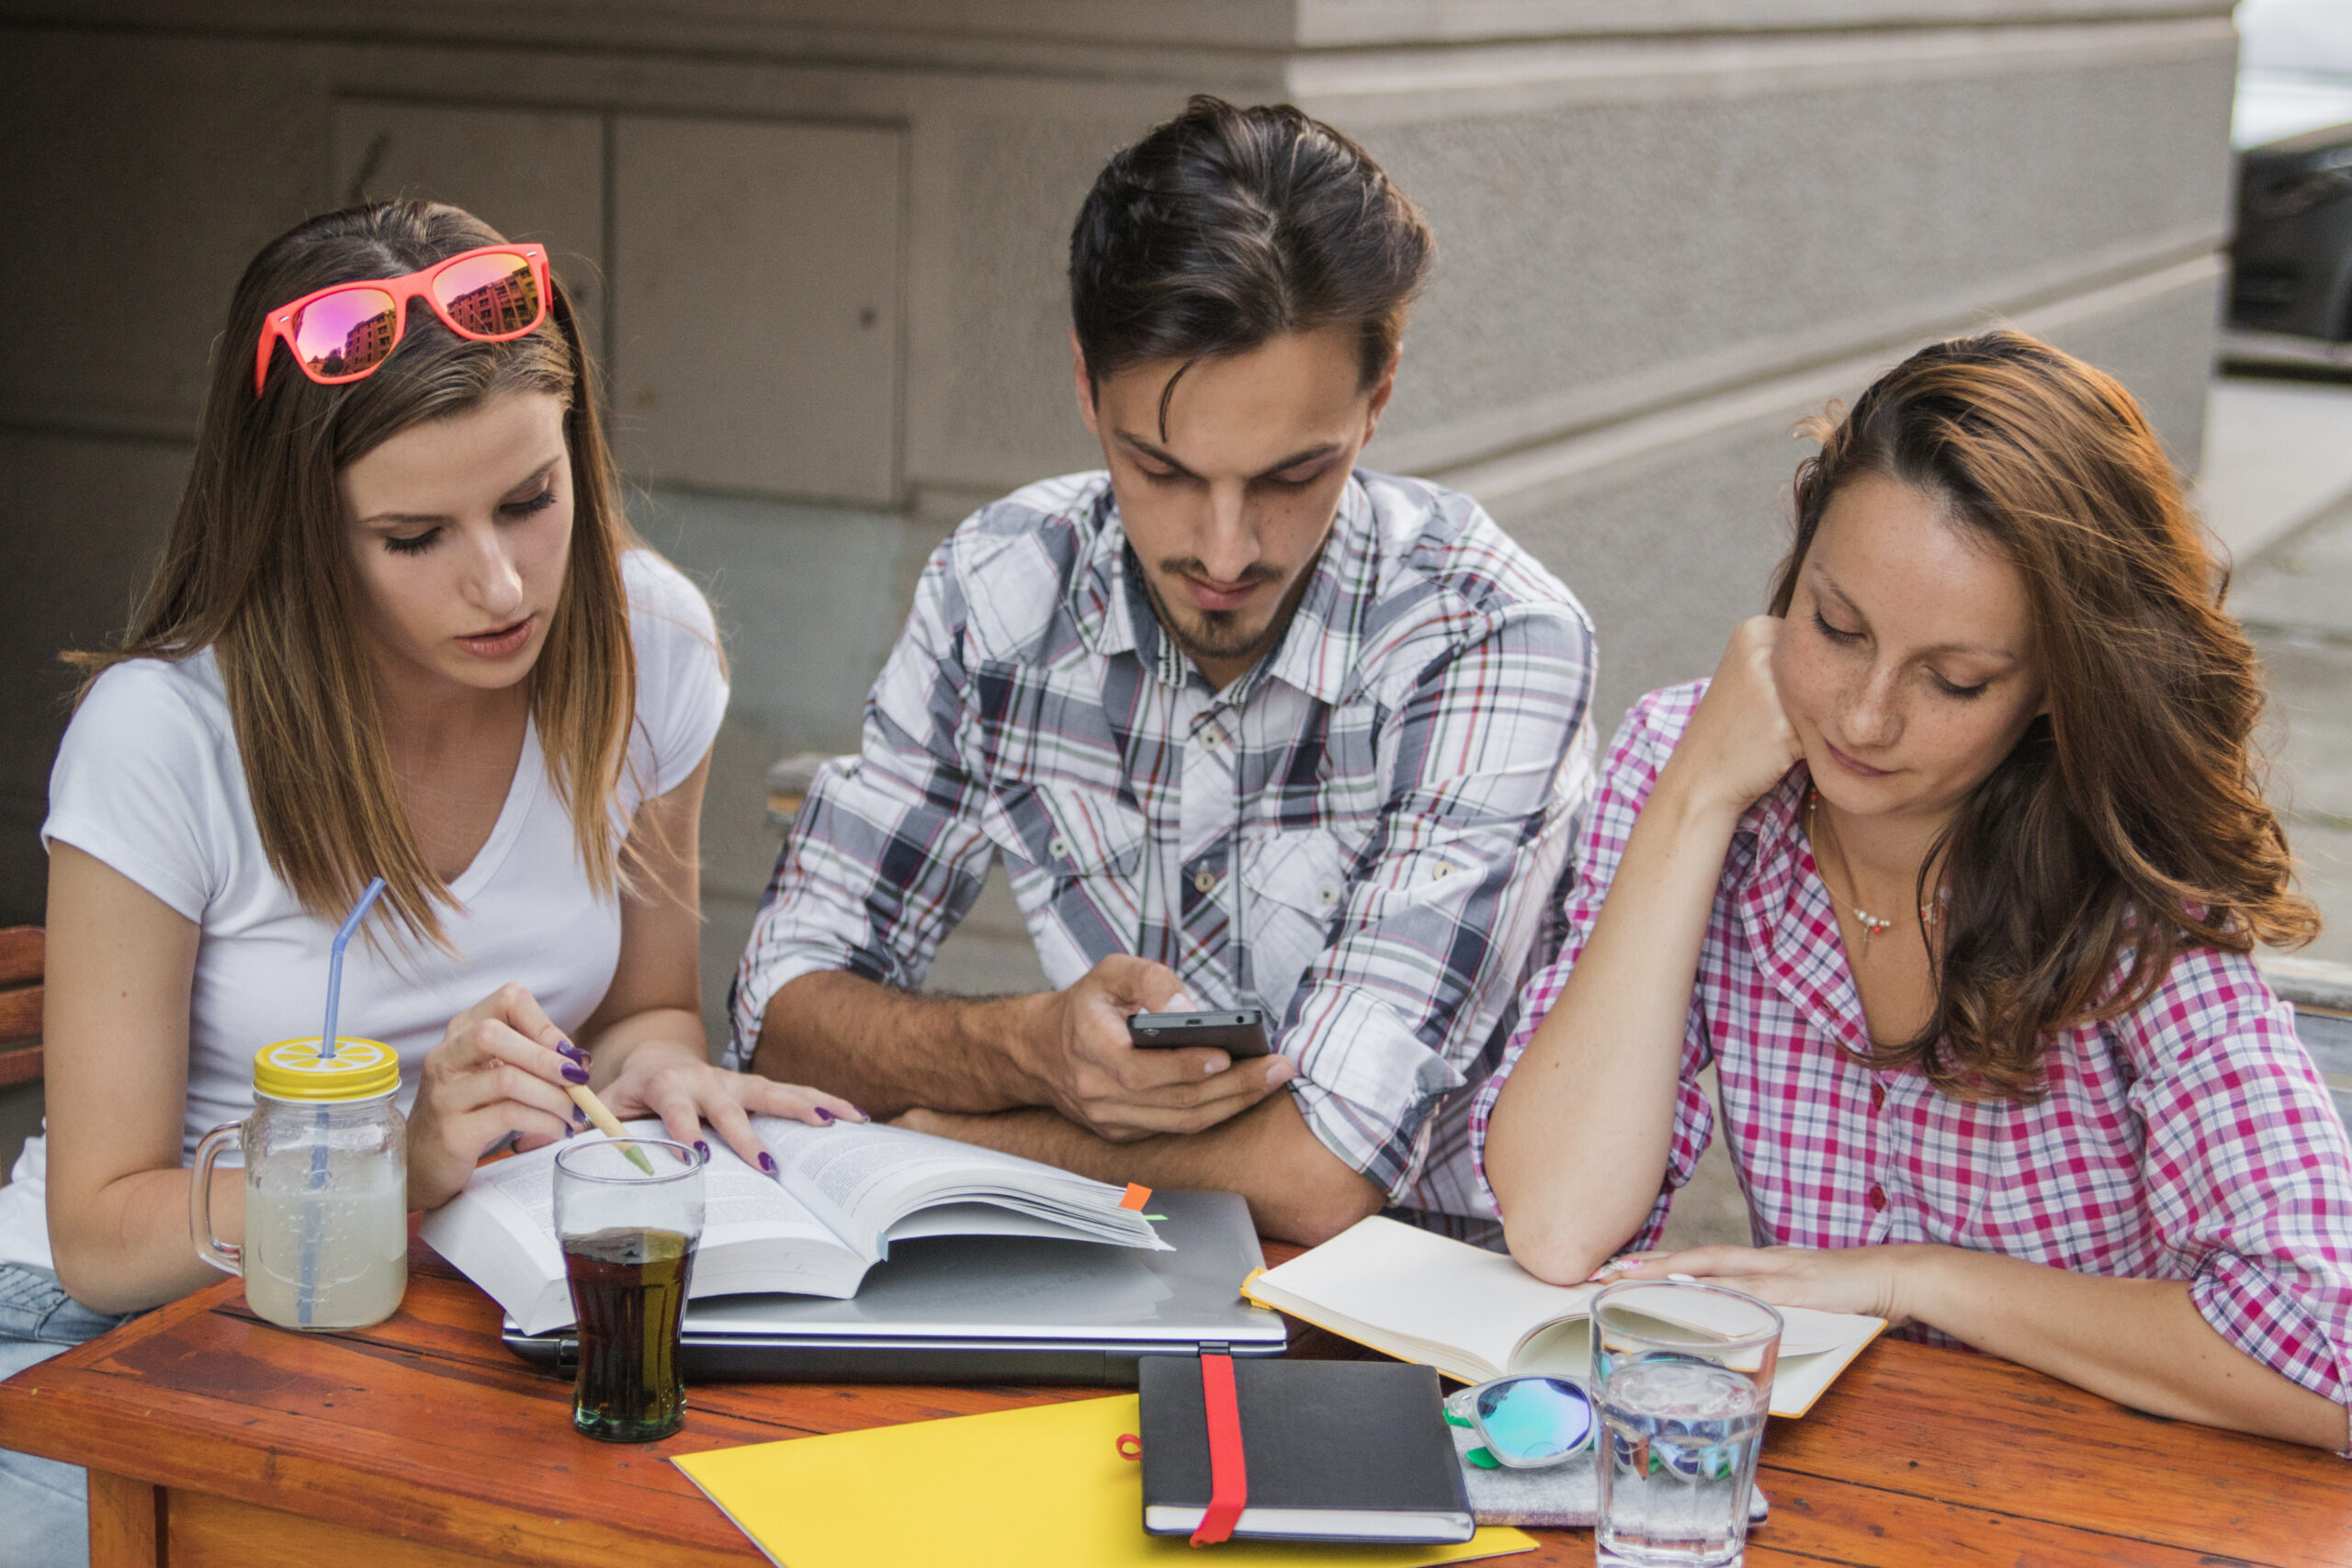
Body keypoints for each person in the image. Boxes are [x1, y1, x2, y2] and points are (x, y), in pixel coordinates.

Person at [0, 201, 858, 1562]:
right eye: (415, 536)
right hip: (123, 1330)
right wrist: (390, 1162)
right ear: (304, 531)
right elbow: (104, 1231)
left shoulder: (650, 649)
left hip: (457, 1318)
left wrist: (658, 1072)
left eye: (532, 498)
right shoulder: (166, 737)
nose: (504, 581)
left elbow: (645, 1007)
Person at [733, 96, 1596, 1246]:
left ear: (1377, 400)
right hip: (1089, 1281)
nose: (1226, 551)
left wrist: (949, 1133)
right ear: (1086, 387)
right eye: (1163, 470)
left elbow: (1325, 1171)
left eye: (1294, 476)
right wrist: (1024, 1046)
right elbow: (778, 1012)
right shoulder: (1001, 587)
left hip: (1404, 1325)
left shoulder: (1490, 636)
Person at [1476, 331, 2352, 1450]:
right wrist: (1694, 799)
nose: (1864, 716)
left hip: (2100, 1500)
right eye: (1836, 627)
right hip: (1842, 1489)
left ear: (2051, 688)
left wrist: (1910, 1279)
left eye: (1954, 679)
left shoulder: (2131, 880)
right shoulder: (1691, 766)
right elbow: (1555, 1223)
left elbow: (2321, 1347)